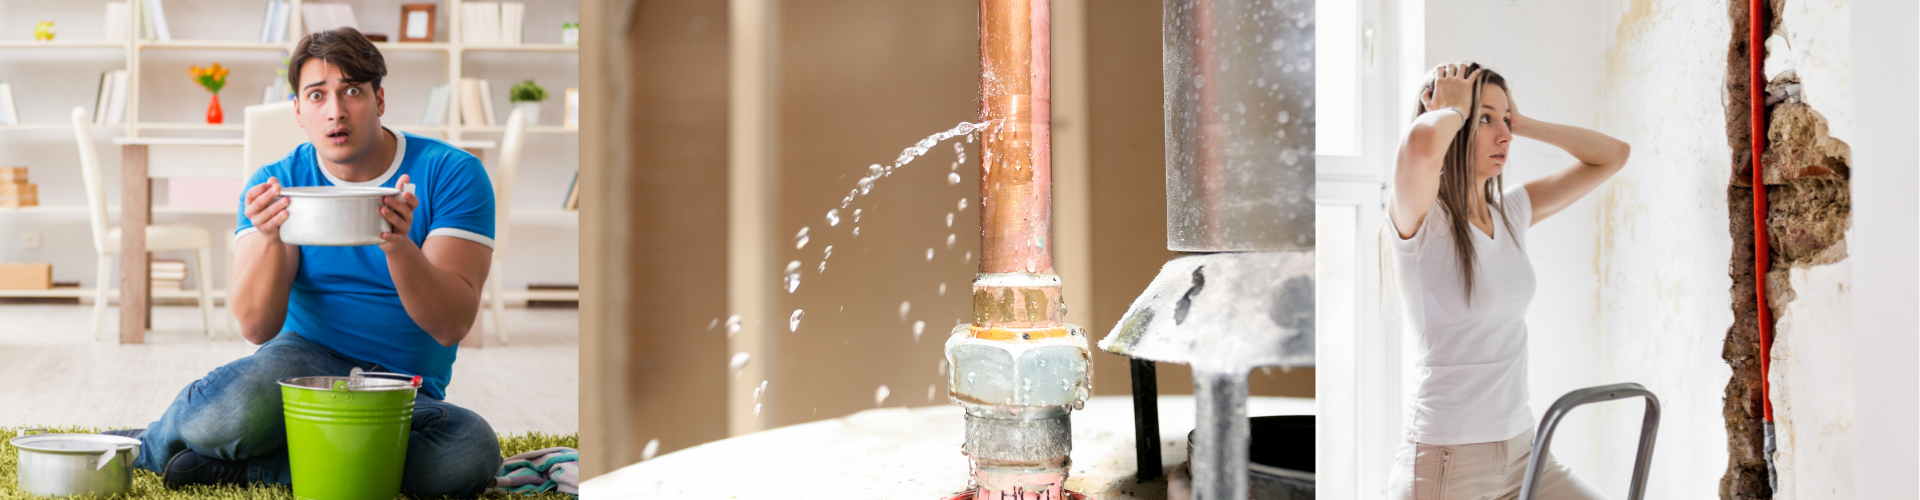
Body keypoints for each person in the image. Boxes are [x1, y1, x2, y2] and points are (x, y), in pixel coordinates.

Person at [110, 27, 502, 496]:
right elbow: (256, 327)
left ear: (379, 100)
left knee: (467, 452)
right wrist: (273, 238)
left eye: (351, 91)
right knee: (230, 411)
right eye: (316, 95)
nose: (335, 110)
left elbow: (450, 324)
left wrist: (399, 246)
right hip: (299, 369)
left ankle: (235, 467)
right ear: (298, 110)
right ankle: (146, 446)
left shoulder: (451, 173)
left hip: (402, 389)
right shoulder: (277, 183)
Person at [1383, 61, 1631, 500]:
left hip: (1523, 448)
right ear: (1449, 117)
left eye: (1505, 119)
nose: (1504, 136)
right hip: (1447, 463)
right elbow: (1421, 148)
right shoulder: (1422, 218)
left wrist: (1521, 121)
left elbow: (1613, 155)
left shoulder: (1512, 212)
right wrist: (1455, 110)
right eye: (1484, 119)